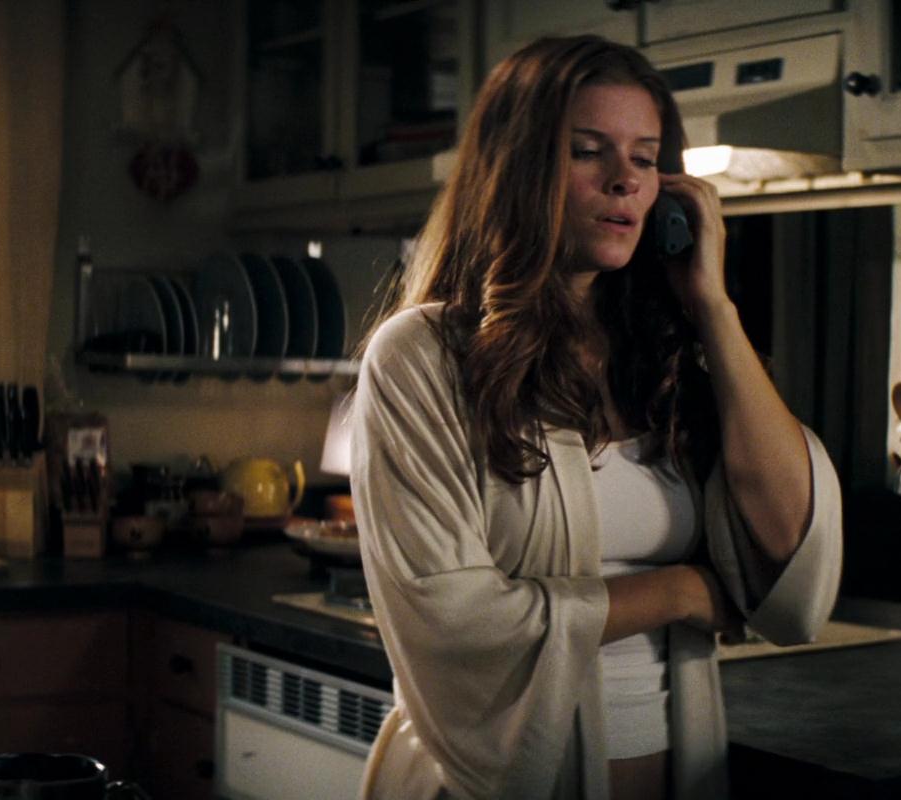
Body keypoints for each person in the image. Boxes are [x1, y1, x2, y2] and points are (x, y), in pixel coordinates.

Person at [349, 35, 843, 800]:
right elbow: (453, 622)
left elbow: (793, 575)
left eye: (645, 158)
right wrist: (679, 592)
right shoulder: (422, 357)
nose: (624, 180)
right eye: (588, 151)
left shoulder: (670, 355)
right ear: (518, 170)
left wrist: (713, 306)